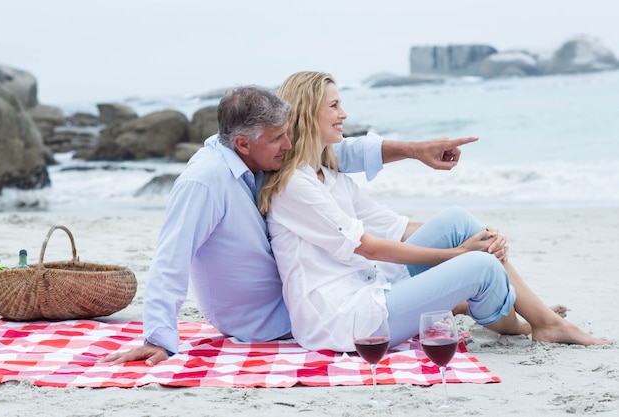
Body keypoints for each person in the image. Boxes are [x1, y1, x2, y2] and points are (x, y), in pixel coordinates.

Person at [100, 85, 480, 366]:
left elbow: (334, 152)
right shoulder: (204, 180)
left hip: (305, 291)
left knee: (449, 232)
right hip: (264, 318)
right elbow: (171, 256)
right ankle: (460, 301)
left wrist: (415, 151)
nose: (289, 144)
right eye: (278, 138)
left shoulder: (260, 157)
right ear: (243, 143)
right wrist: (159, 337)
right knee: (420, 268)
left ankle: (462, 301)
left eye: (287, 133)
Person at [259, 71, 606, 353]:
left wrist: (477, 238)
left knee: (458, 221)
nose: (344, 114)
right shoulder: (294, 186)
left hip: (370, 288)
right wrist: (457, 255)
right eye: (334, 106)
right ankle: (533, 323)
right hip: (344, 319)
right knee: (479, 266)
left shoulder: (329, 177)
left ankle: (539, 319)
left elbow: (397, 229)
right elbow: (370, 247)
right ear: (308, 113)